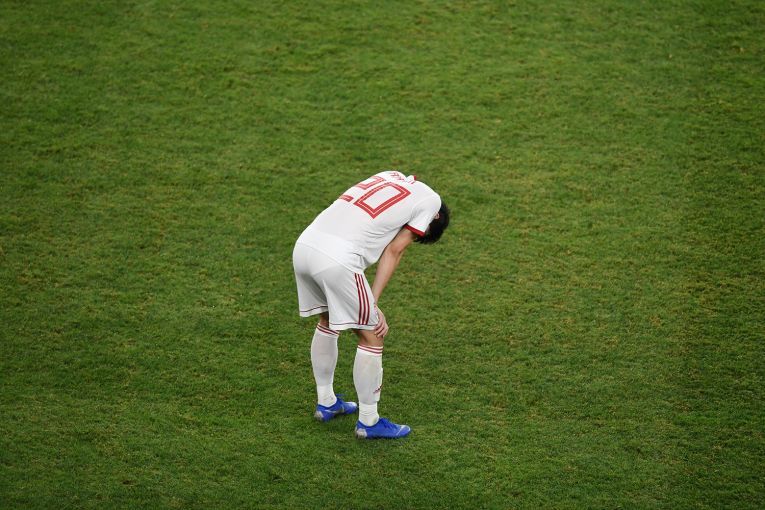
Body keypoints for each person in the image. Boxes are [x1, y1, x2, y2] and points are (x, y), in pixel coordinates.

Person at [292, 170, 450, 439]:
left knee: (328, 320)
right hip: (336, 258)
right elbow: (394, 250)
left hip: (305, 245)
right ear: (435, 218)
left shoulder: (390, 175)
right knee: (372, 334)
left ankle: (327, 402)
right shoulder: (431, 202)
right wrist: (373, 304)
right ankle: (369, 421)